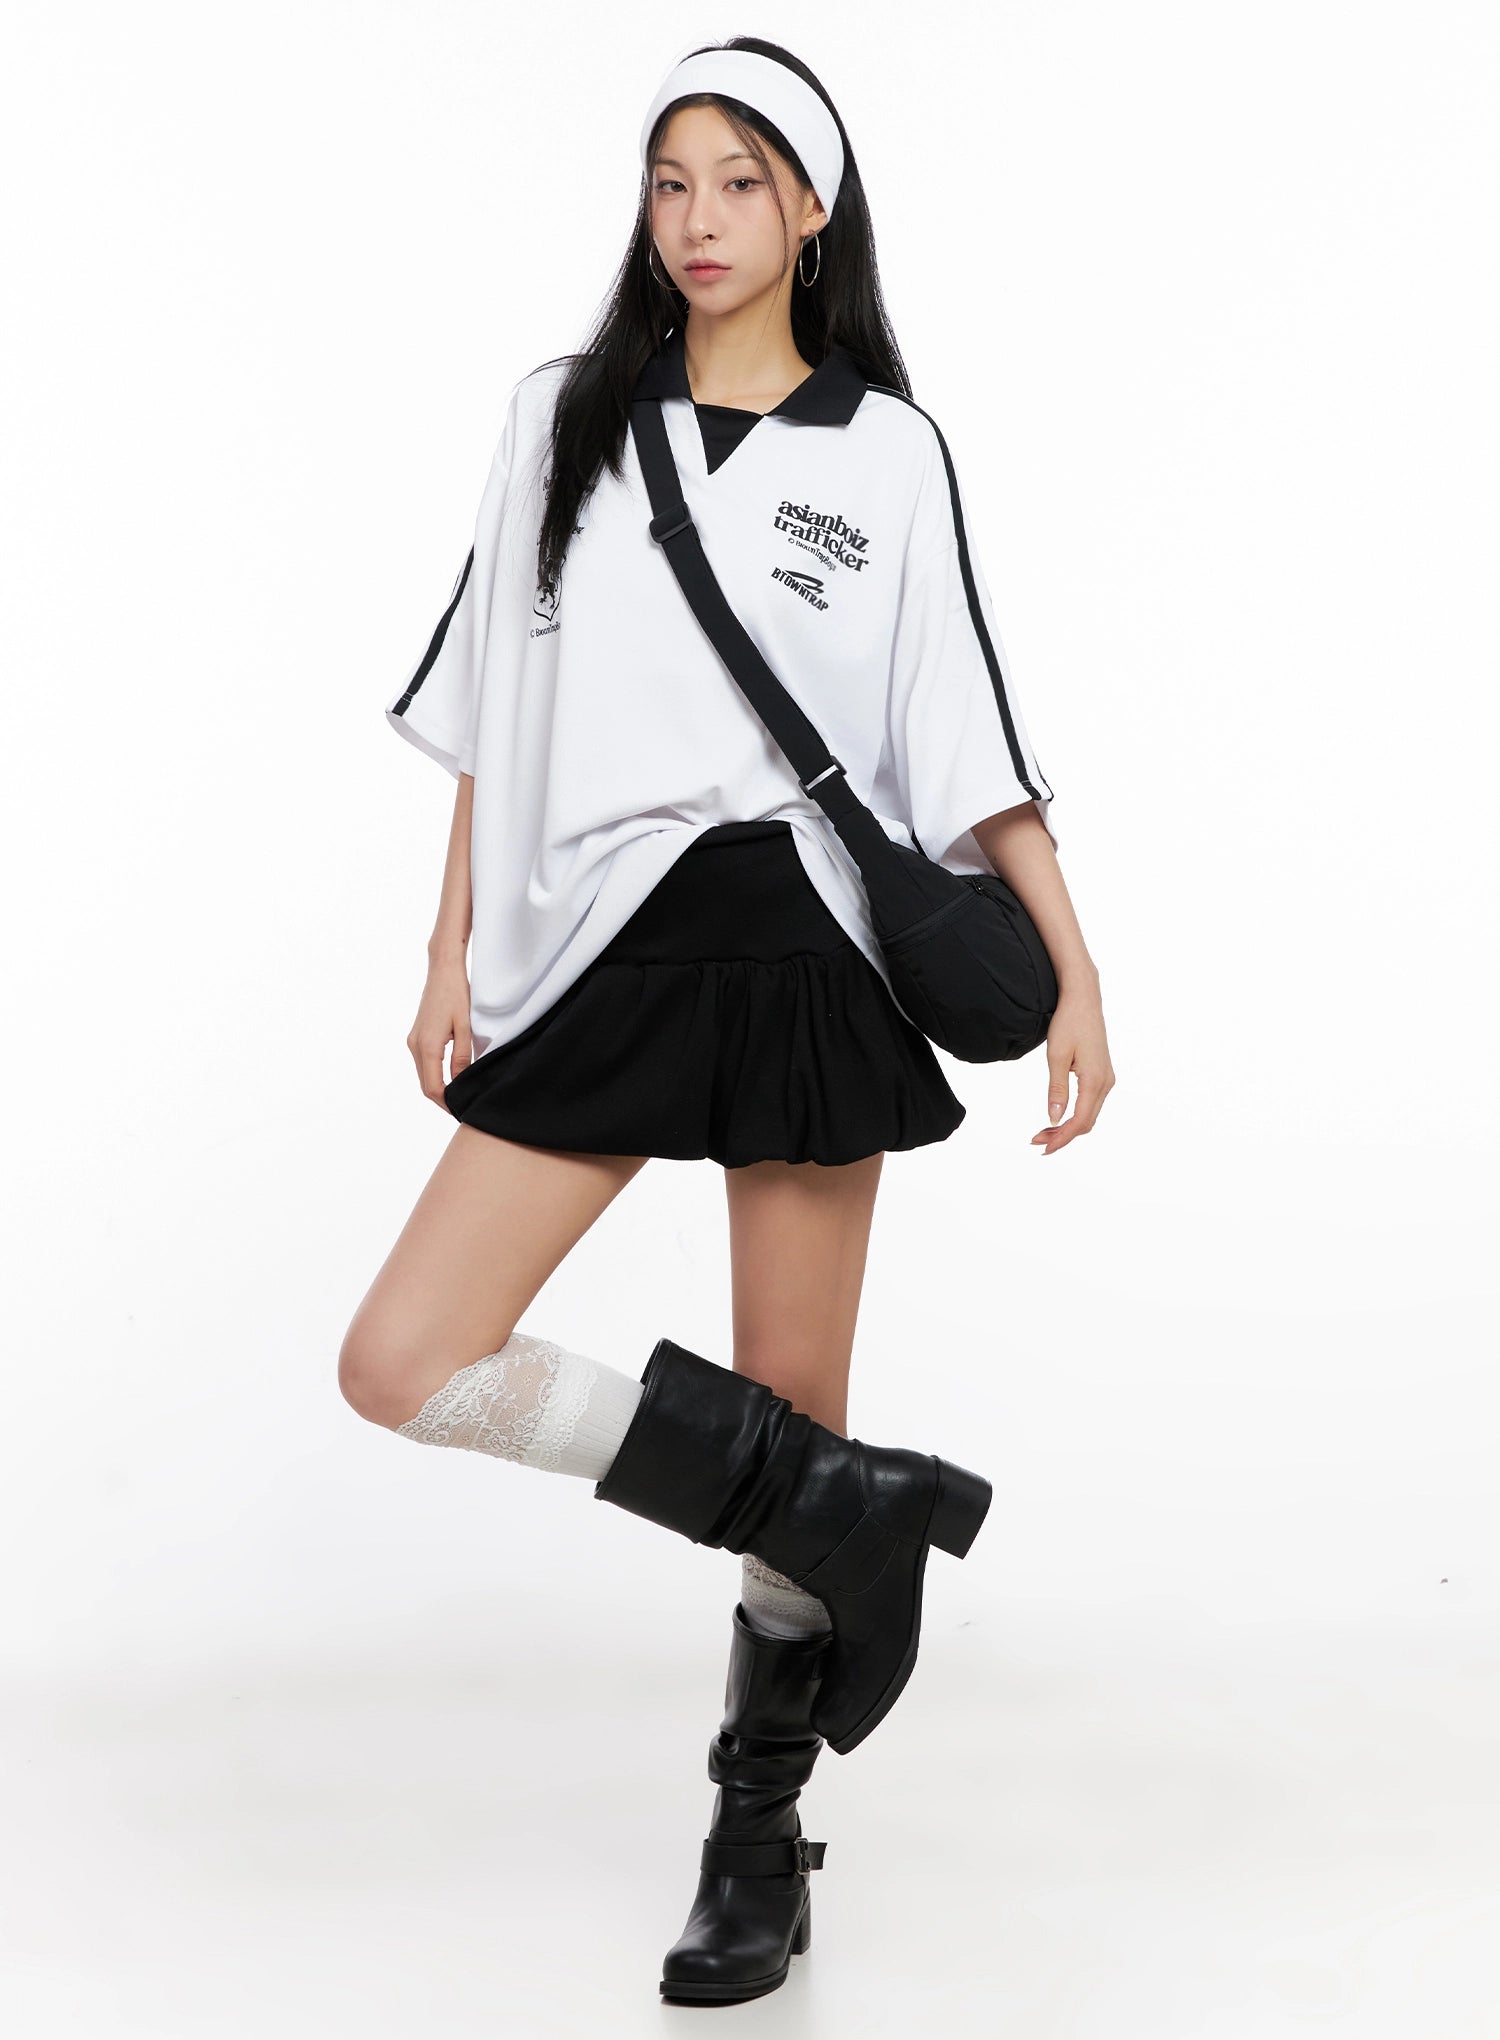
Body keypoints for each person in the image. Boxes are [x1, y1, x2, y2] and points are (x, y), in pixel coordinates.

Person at [339, 35, 1115, 2005]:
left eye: (742, 182)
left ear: (815, 210)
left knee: (793, 1403)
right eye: (671, 180)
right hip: (600, 937)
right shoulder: (560, 417)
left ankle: (757, 1829)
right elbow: (492, 707)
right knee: (407, 1356)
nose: (697, 219)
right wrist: (445, 947)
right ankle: (855, 1516)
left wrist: (1079, 969)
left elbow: (961, 734)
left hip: (807, 951)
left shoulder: (887, 452)